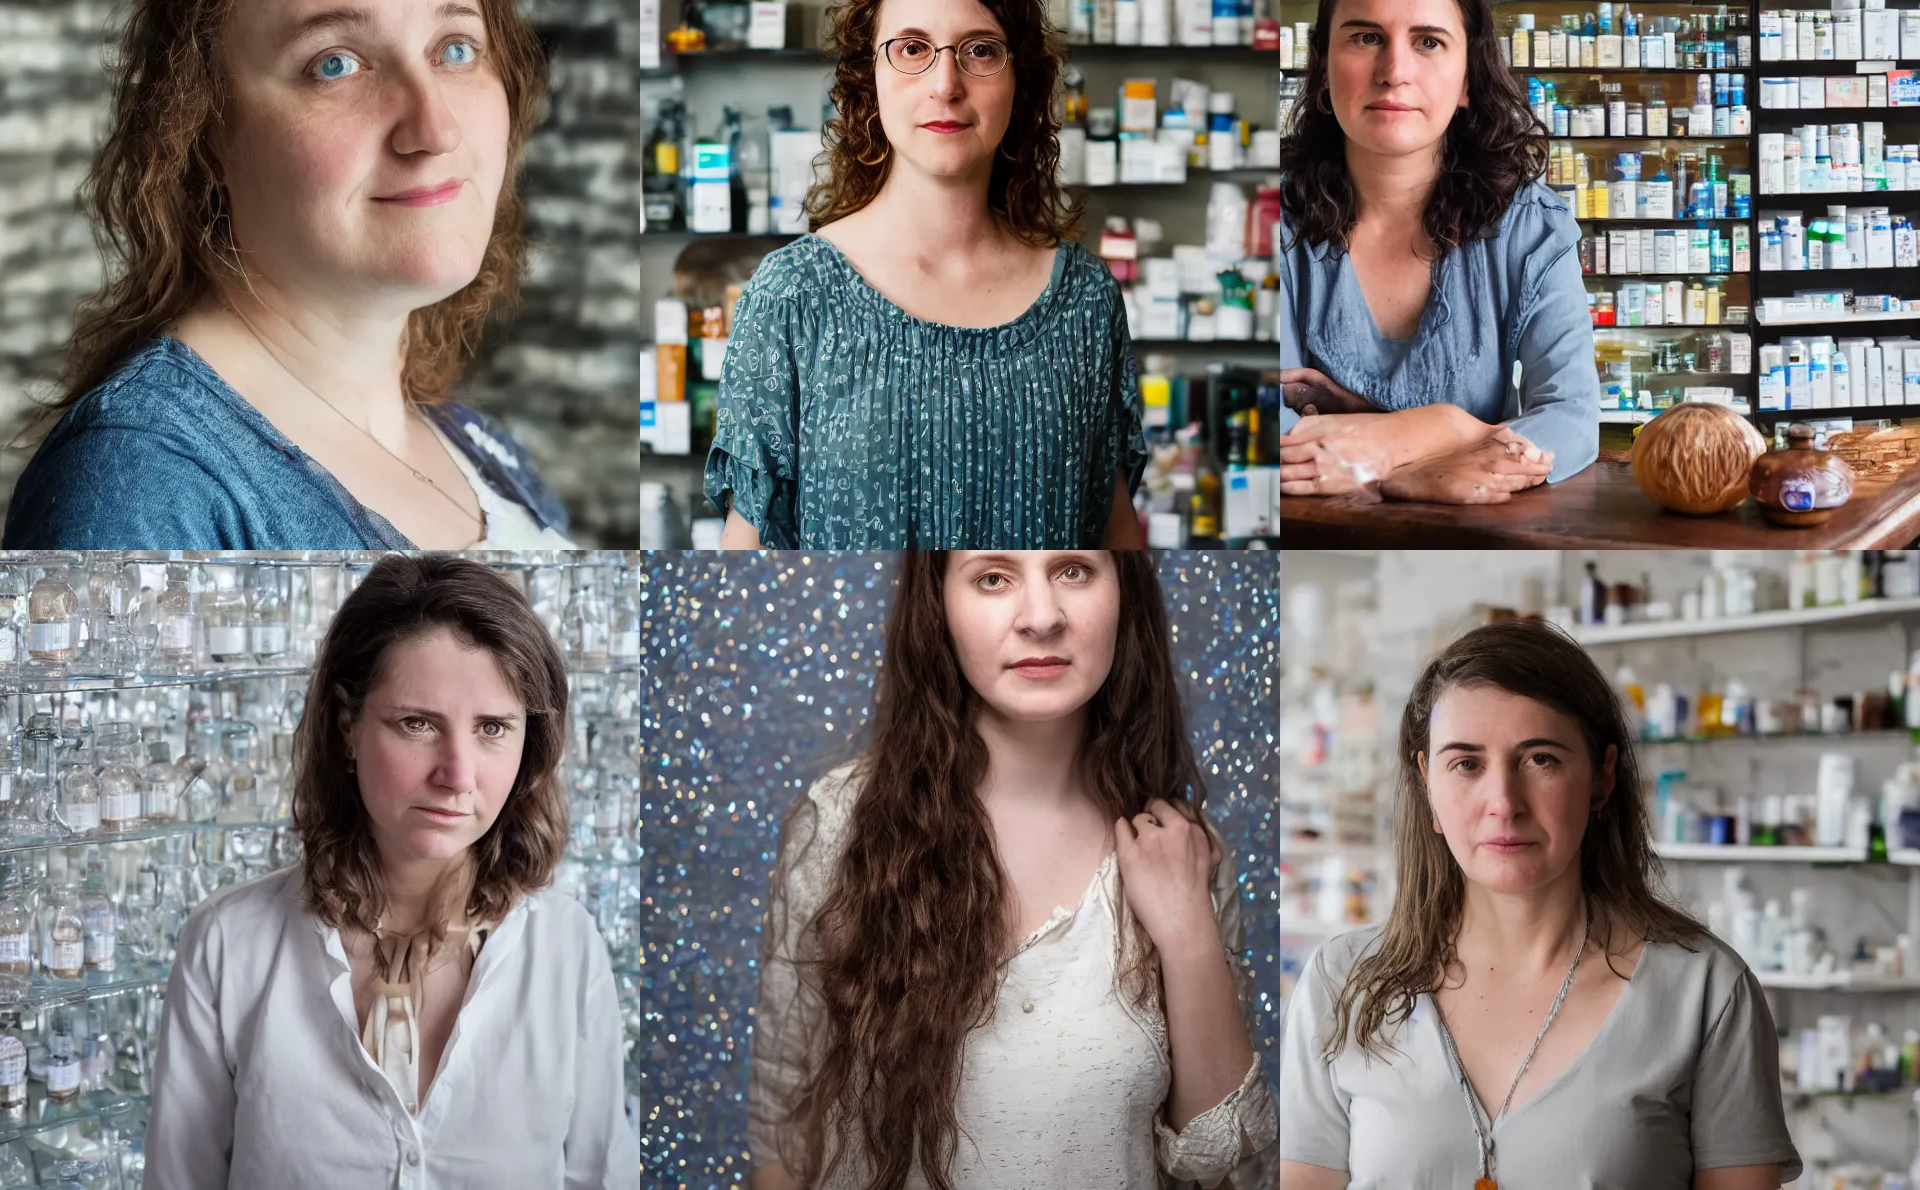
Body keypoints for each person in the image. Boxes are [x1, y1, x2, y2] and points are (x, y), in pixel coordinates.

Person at [3, 0, 573, 551]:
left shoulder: (477, 446)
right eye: (335, 64)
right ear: (204, 134)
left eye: (455, 49)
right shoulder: (139, 485)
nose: (434, 130)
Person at [748, 550, 1274, 1190]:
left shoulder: (1183, 851)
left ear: (1124, 592)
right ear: (937, 604)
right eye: (993, 578)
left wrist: (1188, 933)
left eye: (1074, 570)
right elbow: (781, 1136)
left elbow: (1217, 1161)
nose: (1041, 618)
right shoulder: (840, 823)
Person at [143, 555, 636, 1188]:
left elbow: (600, 1176)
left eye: (492, 728)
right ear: (346, 728)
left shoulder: (567, 948)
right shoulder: (227, 944)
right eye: (417, 724)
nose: (456, 775)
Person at [1279, 619, 1801, 1189]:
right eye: (1467, 764)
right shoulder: (1340, 984)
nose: (1504, 803)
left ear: (1601, 779)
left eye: (1541, 759)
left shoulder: (1705, 992)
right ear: (1428, 783)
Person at [705, 0, 1147, 551]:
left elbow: (1116, 537)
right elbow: (743, 562)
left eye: (981, 50)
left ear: (1019, 82)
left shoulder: (1084, 301)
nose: (945, 84)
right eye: (912, 49)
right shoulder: (790, 297)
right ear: (870, 79)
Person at [1278, 0, 1601, 506]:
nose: (1394, 71)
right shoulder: (1272, 223)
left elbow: (1573, 418)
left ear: (1467, 80)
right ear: (1323, 66)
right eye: (1365, 37)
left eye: (1428, 41)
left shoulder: (1530, 227)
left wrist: (1394, 444)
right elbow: (1269, 443)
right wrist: (1451, 435)